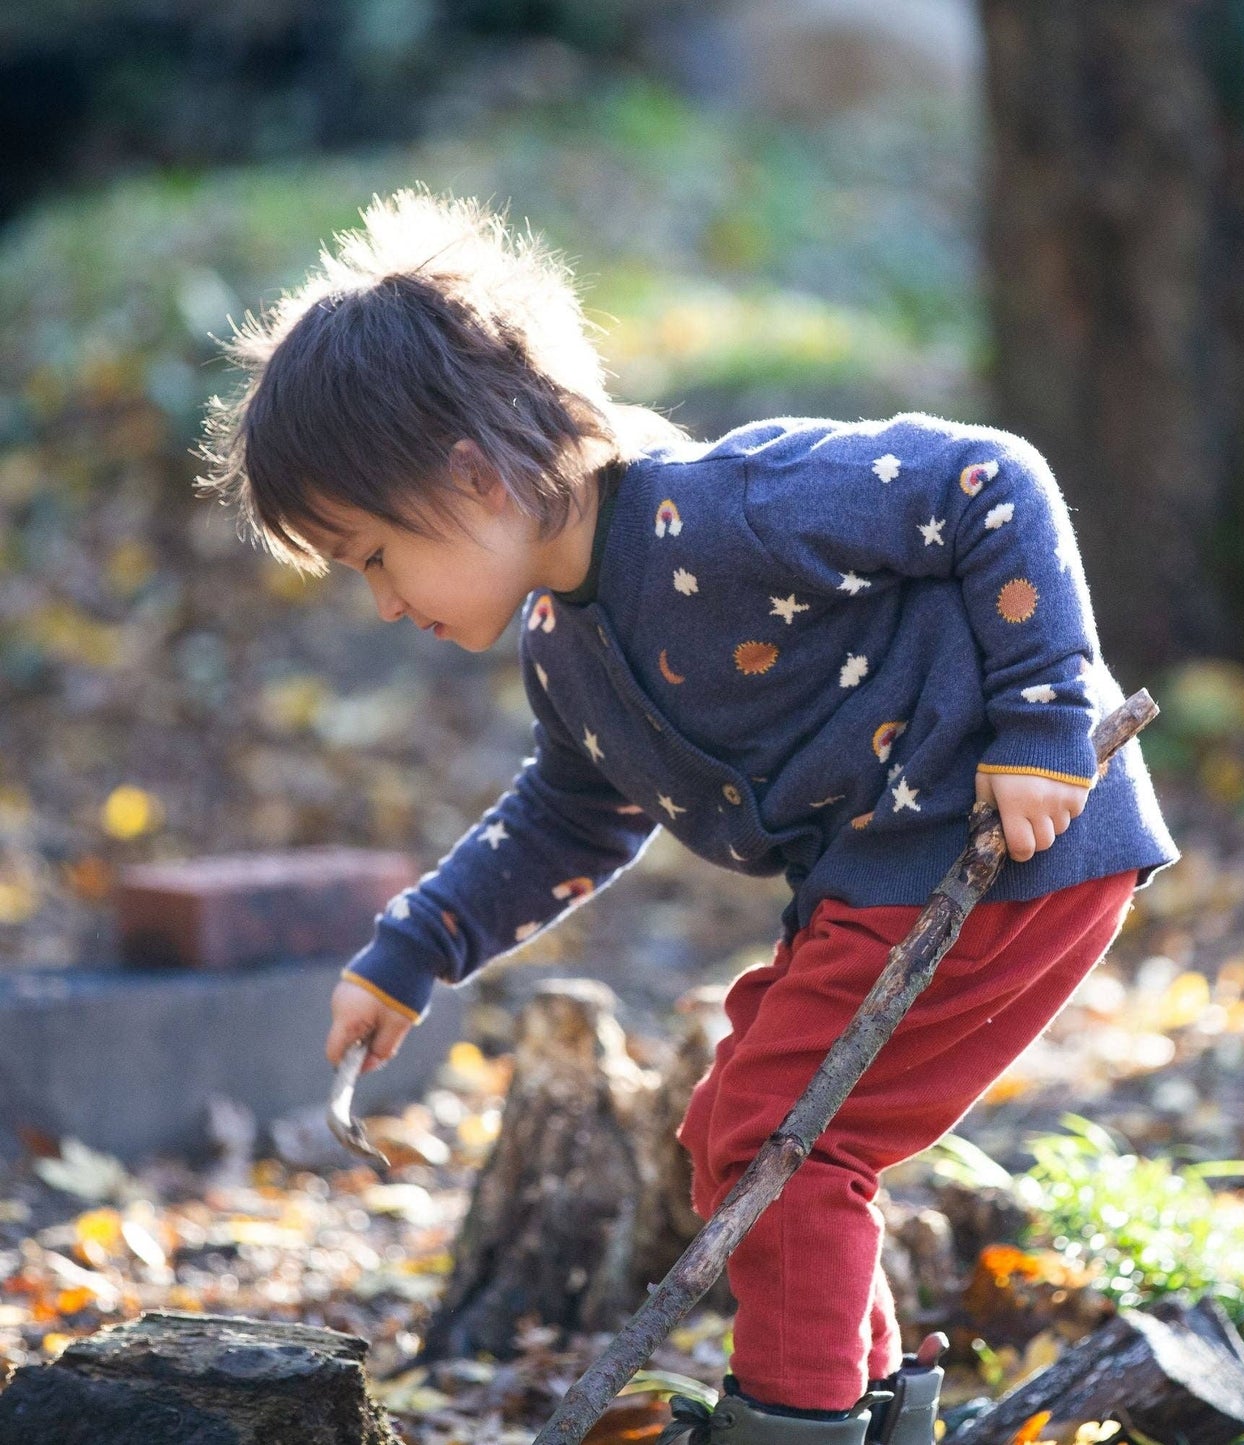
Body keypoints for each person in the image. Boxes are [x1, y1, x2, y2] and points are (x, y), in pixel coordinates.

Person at [198, 189, 1177, 1445]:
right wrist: (417, 946)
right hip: (875, 888)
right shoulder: (564, 643)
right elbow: (568, 816)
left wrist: (1042, 715)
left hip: (999, 849)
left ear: (473, 473)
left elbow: (992, 477)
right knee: (736, 1131)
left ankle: (792, 1421)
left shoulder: (724, 510)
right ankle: (861, 1406)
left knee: (786, 1135)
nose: (383, 602)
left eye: (376, 555)